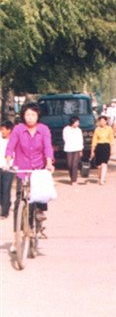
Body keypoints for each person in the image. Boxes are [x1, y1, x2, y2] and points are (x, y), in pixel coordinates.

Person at [4, 103, 55, 248]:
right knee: (19, 200)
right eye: (27, 115)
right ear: (23, 116)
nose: (30, 118)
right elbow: (10, 146)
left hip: (38, 169)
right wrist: (8, 161)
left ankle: (38, 218)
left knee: (37, 198)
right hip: (22, 170)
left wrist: (49, 163)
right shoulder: (18, 129)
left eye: (33, 115)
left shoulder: (43, 129)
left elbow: (47, 147)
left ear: (38, 116)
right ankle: (16, 238)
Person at [90, 116, 114, 185]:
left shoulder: (109, 129)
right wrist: (92, 150)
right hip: (99, 146)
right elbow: (94, 141)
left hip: (106, 146)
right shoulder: (97, 130)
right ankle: (99, 176)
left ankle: (102, 179)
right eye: (101, 121)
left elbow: (111, 139)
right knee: (99, 165)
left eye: (103, 121)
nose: (102, 122)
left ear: (106, 121)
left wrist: (111, 149)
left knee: (104, 163)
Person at [63, 116, 84, 186]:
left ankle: (74, 180)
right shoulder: (66, 129)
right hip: (69, 148)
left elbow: (81, 140)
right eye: (76, 122)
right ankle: (71, 178)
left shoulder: (79, 130)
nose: (78, 123)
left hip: (77, 148)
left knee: (75, 164)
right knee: (69, 164)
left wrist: (81, 149)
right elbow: (64, 138)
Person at [0, 120, 14, 218]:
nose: (2, 132)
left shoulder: (14, 140)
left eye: (3, 130)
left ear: (9, 130)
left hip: (9, 168)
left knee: (6, 189)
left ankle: (4, 212)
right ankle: (6, 203)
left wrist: (9, 165)